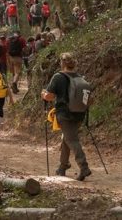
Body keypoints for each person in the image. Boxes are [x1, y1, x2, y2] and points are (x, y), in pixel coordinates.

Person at [41, 52, 92, 181]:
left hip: (65, 113)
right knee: (67, 137)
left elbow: (50, 96)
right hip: (79, 113)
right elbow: (90, 100)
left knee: (72, 140)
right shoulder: (80, 78)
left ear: (62, 63)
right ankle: (63, 166)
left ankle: (84, 167)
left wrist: (43, 95)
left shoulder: (58, 77)